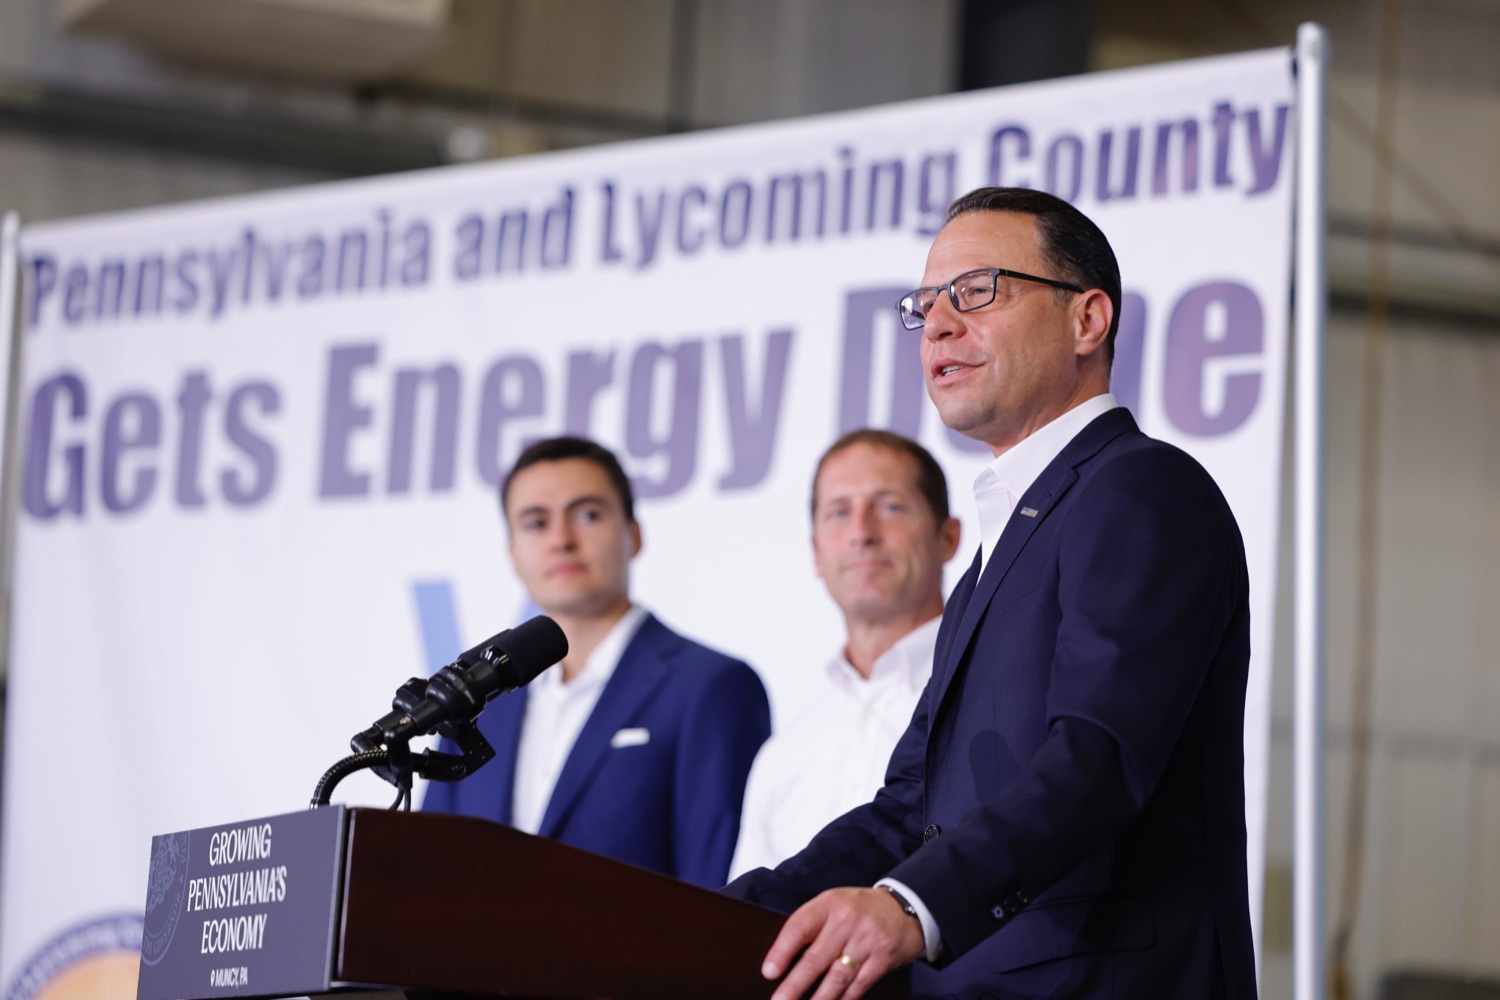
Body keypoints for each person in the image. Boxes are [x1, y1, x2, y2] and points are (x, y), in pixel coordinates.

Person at [723, 187, 1256, 1000]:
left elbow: (1099, 756)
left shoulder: (1143, 490)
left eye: (977, 291)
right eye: (926, 304)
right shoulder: (991, 558)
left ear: (1088, 320)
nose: (937, 324)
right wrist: (724, 917)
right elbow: (911, 807)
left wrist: (911, 902)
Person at [423, 435, 771, 889]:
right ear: (511, 552)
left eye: (587, 514)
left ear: (634, 534)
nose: (562, 540)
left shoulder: (711, 687)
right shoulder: (478, 699)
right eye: (536, 522)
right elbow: (430, 868)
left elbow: (717, 886)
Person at [729, 430, 959, 879]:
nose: (861, 534)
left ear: (947, 537)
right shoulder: (783, 755)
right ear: (815, 552)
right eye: (838, 512)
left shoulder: (995, 691)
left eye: (890, 506)